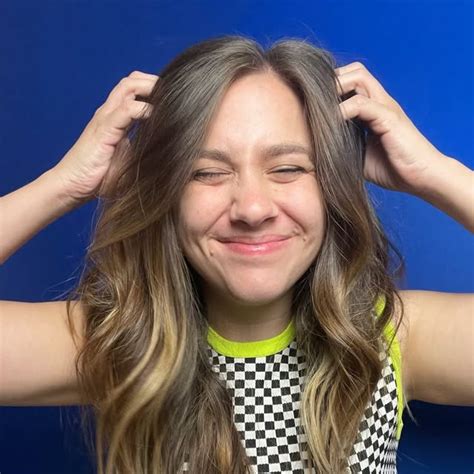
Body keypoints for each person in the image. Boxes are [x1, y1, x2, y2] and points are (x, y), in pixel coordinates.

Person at [0, 35, 472, 474]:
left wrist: (432, 171)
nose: (251, 208)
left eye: (287, 168)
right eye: (207, 173)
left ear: (333, 185)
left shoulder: (390, 337)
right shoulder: (124, 341)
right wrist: (64, 185)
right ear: (168, 194)